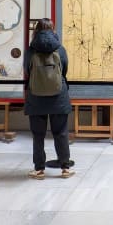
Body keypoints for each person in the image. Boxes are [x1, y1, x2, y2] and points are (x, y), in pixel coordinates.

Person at [24, 18, 73, 179]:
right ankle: (65, 168)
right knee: (61, 133)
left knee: (38, 135)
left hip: (36, 97)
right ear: (53, 29)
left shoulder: (31, 49)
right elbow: (64, 69)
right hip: (58, 97)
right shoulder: (60, 49)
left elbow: (27, 70)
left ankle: (39, 170)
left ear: (36, 30)